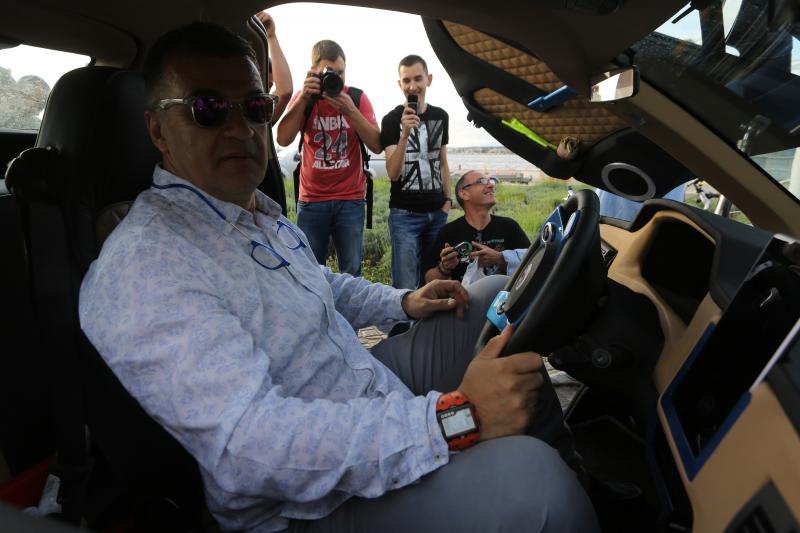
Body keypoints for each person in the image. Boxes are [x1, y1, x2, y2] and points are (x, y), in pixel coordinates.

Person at [79, 23, 598, 533]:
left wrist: (405, 302)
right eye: (208, 109)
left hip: (359, 380)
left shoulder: (255, 212)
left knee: (487, 300)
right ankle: (557, 495)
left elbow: (323, 283)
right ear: (156, 130)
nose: (240, 129)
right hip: (307, 502)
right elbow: (248, 451)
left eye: (256, 108)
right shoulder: (147, 261)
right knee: (535, 486)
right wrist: (458, 418)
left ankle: (578, 480)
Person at [276, 39, 381, 276]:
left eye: (341, 72)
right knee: (311, 271)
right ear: (314, 72)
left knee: (351, 271)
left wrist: (350, 111)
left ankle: (348, 313)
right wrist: (303, 98)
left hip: (351, 199)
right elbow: (282, 138)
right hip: (312, 200)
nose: (337, 79)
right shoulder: (307, 98)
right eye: (330, 73)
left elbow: (376, 143)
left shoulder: (356, 98)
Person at [380, 55, 451, 289]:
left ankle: (429, 327)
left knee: (433, 282)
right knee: (405, 285)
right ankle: (404, 328)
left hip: (436, 214)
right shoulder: (391, 120)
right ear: (399, 84)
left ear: (428, 79)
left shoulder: (441, 116)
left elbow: (442, 162)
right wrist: (404, 134)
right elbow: (393, 173)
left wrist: (448, 201)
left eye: (418, 78)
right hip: (405, 216)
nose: (413, 86)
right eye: (406, 80)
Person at [425, 171, 531, 284]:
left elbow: (533, 263)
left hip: (505, 299)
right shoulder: (449, 232)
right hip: (466, 299)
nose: (491, 185)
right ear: (464, 194)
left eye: (490, 181)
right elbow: (429, 280)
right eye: (482, 181)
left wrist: (500, 258)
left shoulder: (510, 227)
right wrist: (445, 268)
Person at [254, 11, 292, 215]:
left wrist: (272, 36)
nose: (267, 90)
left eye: (270, 85)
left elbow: (284, 90)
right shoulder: (250, 111)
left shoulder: (260, 112)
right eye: (263, 83)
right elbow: (285, 91)